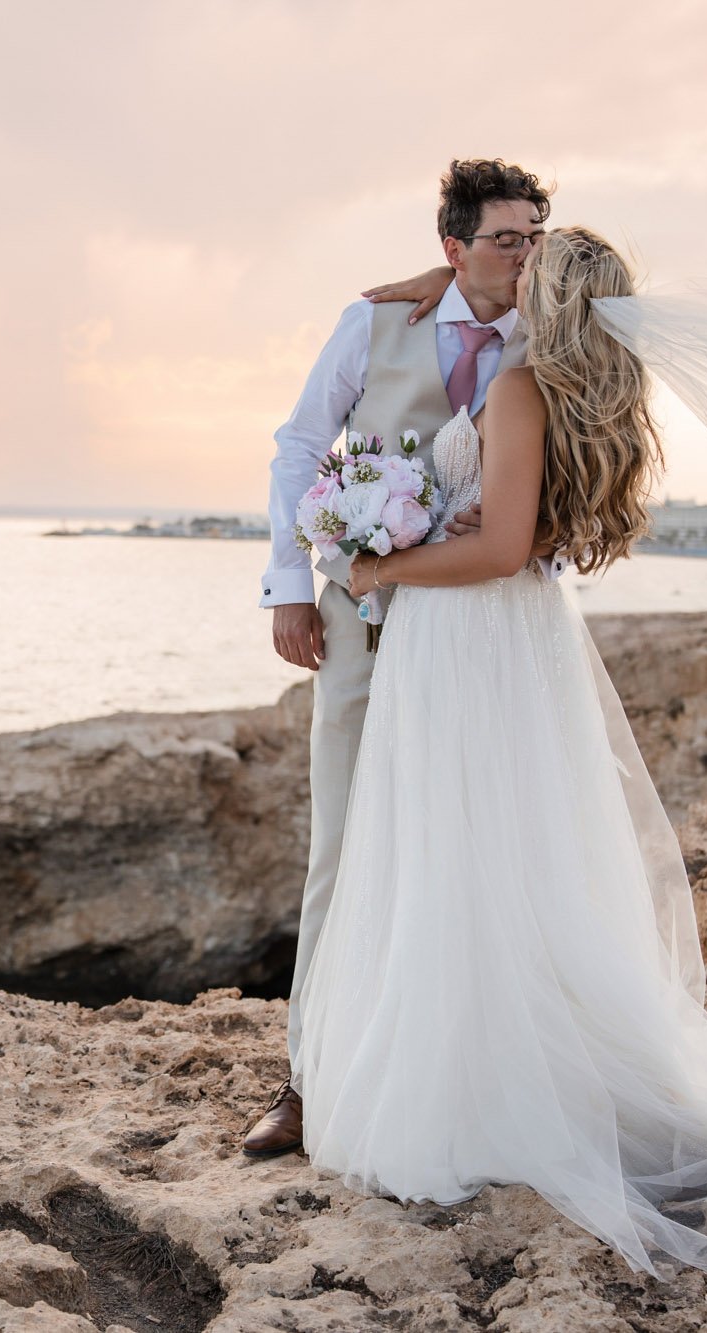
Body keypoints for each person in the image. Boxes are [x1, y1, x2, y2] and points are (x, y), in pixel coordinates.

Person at [288, 225, 707, 1279]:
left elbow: (499, 547)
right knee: (504, 851)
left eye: (527, 266)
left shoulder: (521, 390)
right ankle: (491, 1052)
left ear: (550, 294)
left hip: (471, 639)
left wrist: (379, 566)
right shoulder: (580, 389)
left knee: (462, 845)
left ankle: (480, 1094)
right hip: (508, 643)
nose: (507, 273)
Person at [246, 158, 563, 1158]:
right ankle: (305, 1079)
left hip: (478, 631)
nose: (525, 255)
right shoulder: (371, 324)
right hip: (355, 620)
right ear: (451, 247)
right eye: (505, 238)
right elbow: (301, 446)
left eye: (534, 236)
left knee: (468, 845)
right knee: (341, 845)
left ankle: (463, 1072)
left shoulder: (552, 340)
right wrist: (290, 585)